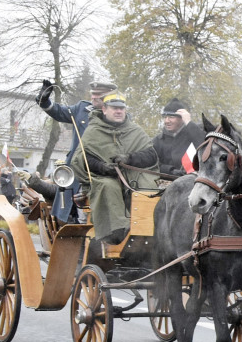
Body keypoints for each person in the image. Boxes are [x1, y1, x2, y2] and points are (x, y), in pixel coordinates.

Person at [71, 92, 160, 245]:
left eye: (121, 108)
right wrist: (103, 167)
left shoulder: (134, 130)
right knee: (109, 186)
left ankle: (152, 230)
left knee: (147, 186)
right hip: (102, 177)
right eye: (114, 108)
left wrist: (129, 158)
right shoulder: (93, 131)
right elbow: (82, 158)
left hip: (132, 175)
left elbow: (151, 155)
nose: (119, 111)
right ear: (104, 109)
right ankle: (116, 232)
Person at [35, 79, 117, 223]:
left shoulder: (117, 115)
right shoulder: (81, 109)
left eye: (98, 95)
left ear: (109, 97)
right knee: (78, 211)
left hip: (106, 171)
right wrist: (44, 100)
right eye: (93, 94)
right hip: (78, 172)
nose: (93, 97)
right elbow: (58, 112)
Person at [151, 97, 206, 177]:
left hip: (195, 181)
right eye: (165, 117)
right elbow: (153, 163)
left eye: (171, 117)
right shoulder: (158, 140)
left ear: (181, 119)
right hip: (167, 182)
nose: (166, 121)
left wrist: (189, 122)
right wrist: (171, 171)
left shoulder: (193, 133)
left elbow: (204, 146)